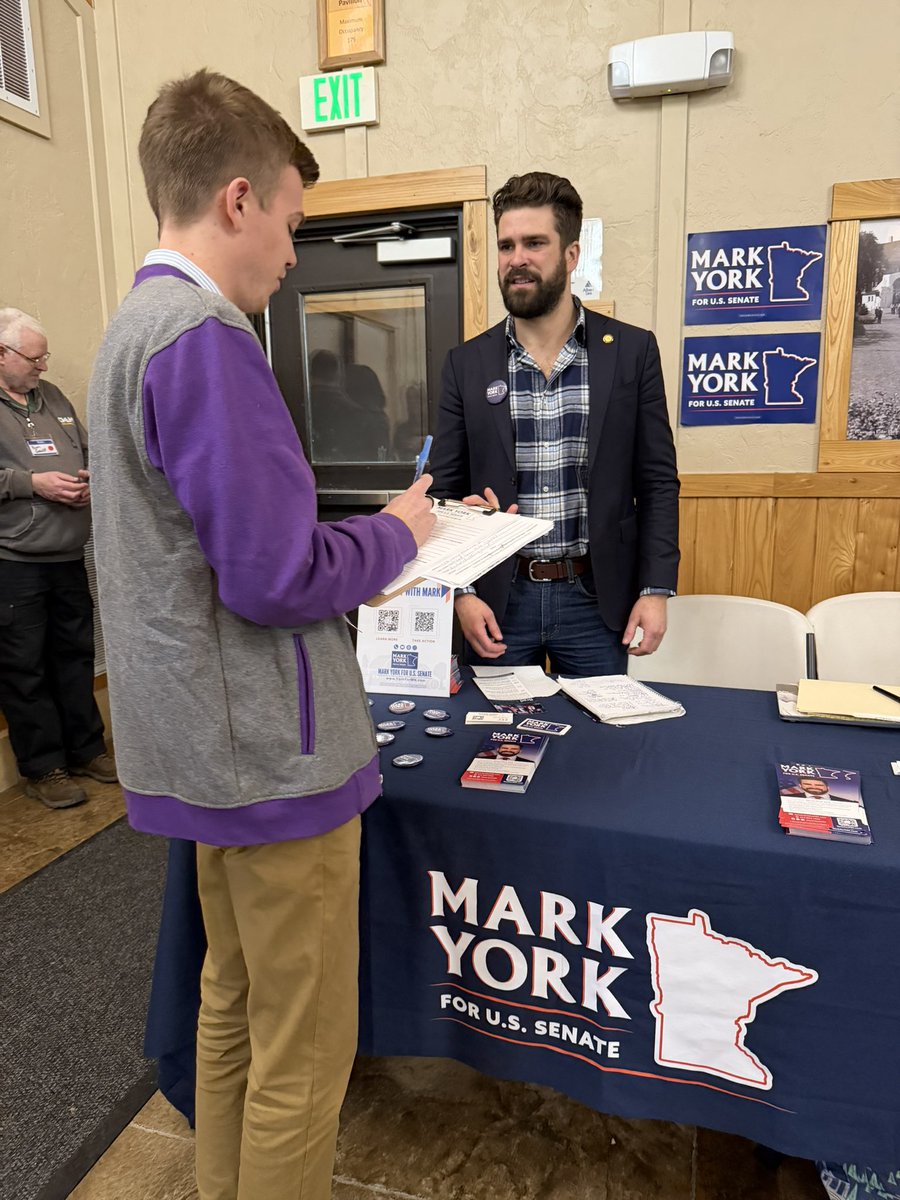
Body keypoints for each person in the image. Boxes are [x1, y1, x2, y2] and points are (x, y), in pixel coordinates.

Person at [87, 69, 434, 1200]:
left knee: (231, 1009)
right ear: (238, 200)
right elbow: (275, 575)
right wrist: (397, 533)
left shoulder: (129, 328)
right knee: (303, 1053)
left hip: (200, 754)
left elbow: (219, 545)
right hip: (268, 764)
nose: (292, 253)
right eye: (291, 221)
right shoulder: (204, 336)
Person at [428, 172, 679, 677]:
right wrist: (461, 593)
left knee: (596, 746)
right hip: (498, 604)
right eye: (506, 245)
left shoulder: (631, 352)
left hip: (595, 601)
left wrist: (654, 590)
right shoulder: (466, 365)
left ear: (570, 255)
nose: (517, 258)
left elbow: (656, 482)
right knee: (498, 749)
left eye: (534, 243)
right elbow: (444, 492)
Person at [0, 308, 116, 809]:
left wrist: (89, 481)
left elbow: (88, 452)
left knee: (75, 656)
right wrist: (34, 483)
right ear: (1, 355)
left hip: (68, 553)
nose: (43, 365)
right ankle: (44, 768)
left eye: (44, 355)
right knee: (25, 667)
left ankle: (87, 749)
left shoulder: (54, 399)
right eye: (34, 356)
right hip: (14, 561)